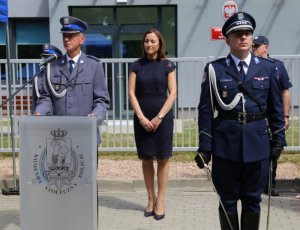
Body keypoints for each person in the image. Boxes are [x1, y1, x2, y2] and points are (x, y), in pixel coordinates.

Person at [195, 12, 286, 230]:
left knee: (253, 200)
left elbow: (276, 109)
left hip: (258, 143)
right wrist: (205, 147)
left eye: (247, 33)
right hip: (226, 145)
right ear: (227, 40)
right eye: (237, 34)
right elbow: (206, 111)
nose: (243, 37)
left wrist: (278, 140)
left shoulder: (268, 68)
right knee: (227, 200)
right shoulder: (215, 70)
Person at [34, 16, 110, 144]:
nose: (66, 39)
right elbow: (46, 97)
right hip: (58, 133)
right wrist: (39, 112)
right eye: (64, 35)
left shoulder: (94, 65)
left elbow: (102, 99)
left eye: (71, 35)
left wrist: (95, 116)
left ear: (82, 39)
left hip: (85, 132)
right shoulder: (53, 66)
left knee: (87, 165)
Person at [128, 28, 177, 221]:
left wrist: (159, 117)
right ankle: (150, 198)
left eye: (153, 41)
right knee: (146, 158)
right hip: (142, 116)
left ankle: (161, 200)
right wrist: (141, 117)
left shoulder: (167, 65)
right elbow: (131, 93)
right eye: (146, 41)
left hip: (162, 117)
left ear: (160, 44)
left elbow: (172, 93)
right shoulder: (135, 66)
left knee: (163, 159)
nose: (149, 44)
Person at [252, 35, 292, 196]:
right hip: (257, 115)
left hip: (273, 115)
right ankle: (256, 184)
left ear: (266, 47)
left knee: (274, 150)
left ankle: (269, 184)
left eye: (257, 46)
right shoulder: (249, 66)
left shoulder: (277, 66)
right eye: (253, 46)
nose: (254, 49)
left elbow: (285, 92)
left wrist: (286, 116)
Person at [31, 44, 62, 113]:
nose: (46, 60)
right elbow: (35, 101)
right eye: (44, 57)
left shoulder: (62, 75)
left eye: (49, 58)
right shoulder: (38, 77)